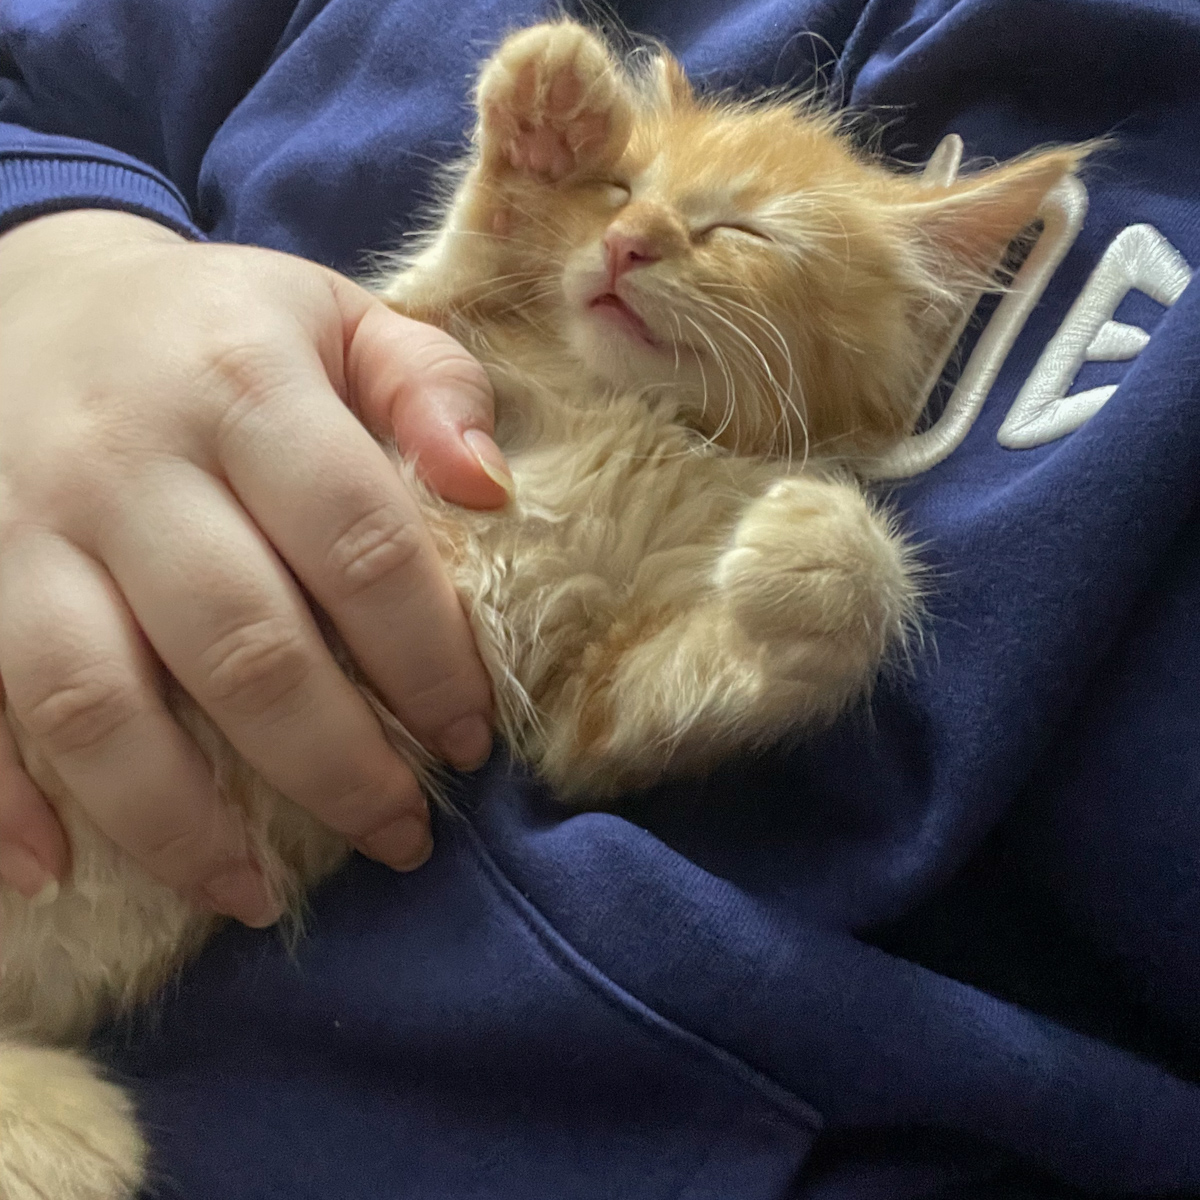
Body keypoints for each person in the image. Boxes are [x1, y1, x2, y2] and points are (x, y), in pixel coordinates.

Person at [3, 1, 1200, 1196]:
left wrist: (808, 631)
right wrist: (56, 258)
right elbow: (408, 339)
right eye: (617, 196)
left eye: (743, 236)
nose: (636, 238)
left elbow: (596, 727)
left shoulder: (718, 506)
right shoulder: (506, 343)